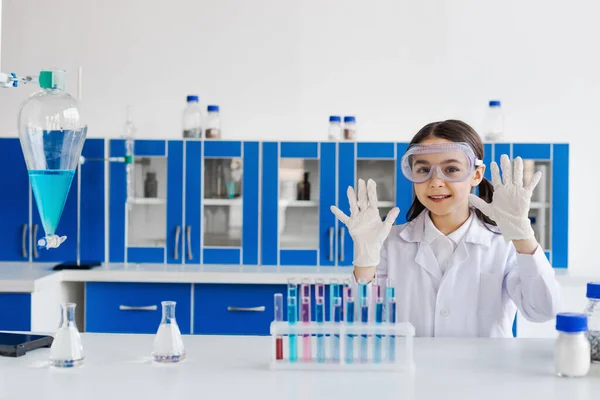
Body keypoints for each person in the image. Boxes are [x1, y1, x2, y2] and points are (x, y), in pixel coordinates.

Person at [330, 119, 561, 337]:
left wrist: (524, 237)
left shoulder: (504, 244)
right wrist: (365, 263)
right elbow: (359, 322)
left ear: (476, 174)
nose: (436, 182)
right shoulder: (388, 243)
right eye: (423, 170)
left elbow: (542, 310)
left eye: (451, 169)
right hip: (411, 374)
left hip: (486, 376)